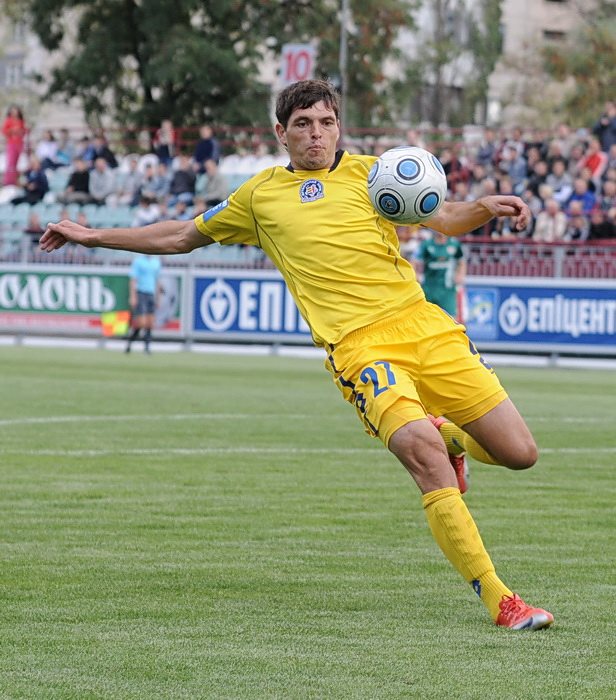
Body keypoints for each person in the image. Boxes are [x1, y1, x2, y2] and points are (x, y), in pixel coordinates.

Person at [40, 79, 553, 631]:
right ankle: (502, 600)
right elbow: (181, 236)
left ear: (339, 127)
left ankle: (451, 438)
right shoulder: (259, 196)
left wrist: (482, 208)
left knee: (518, 453)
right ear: (281, 133)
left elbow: (443, 217)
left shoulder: (375, 175)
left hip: (425, 327)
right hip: (359, 350)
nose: (317, 135)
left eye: (326, 123)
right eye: (303, 125)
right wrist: (94, 236)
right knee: (422, 456)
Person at [413, 229, 465, 319]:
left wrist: (460, 274)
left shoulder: (454, 244)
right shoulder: (426, 244)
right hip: (429, 288)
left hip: (447, 289)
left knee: (451, 319)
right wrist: (416, 275)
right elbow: (414, 261)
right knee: (427, 318)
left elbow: (461, 261)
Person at [125, 253, 162, 354]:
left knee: (150, 322)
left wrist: (158, 298)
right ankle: (130, 343)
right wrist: (133, 296)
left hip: (151, 294)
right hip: (140, 293)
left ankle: (147, 347)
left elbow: (157, 281)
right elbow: (133, 279)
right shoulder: (138, 261)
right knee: (141, 323)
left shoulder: (156, 262)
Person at [2, 105, 26, 186]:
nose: (15, 112)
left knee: (16, 163)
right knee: (11, 162)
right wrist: (12, 130)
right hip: (11, 143)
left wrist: (21, 131)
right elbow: (4, 131)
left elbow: (24, 131)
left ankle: (15, 180)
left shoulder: (20, 121)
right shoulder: (8, 120)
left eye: (16, 111)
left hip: (19, 143)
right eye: (13, 111)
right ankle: (8, 181)